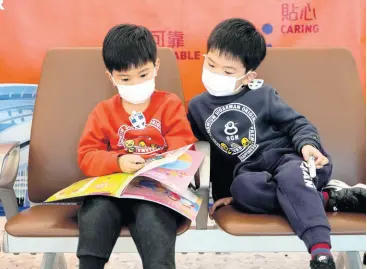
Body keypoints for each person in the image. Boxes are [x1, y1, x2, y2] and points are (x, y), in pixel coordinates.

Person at [187, 18, 366, 269]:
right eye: (211, 63)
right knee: (243, 191)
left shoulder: (263, 95)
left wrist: (307, 146)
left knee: (293, 177)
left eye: (227, 72)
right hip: (251, 172)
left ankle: (320, 251)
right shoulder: (197, 108)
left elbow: (297, 124)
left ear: (249, 76)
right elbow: (215, 155)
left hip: (288, 159)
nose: (216, 74)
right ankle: (327, 198)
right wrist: (224, 194)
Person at [77, 24, 196, 269]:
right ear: (111, 77)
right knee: (97, 211)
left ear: (156, 67)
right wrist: (118, 162)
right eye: (125, 78)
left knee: (153, 217)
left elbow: (184, 150)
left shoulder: (169, 105)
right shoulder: (103, 111)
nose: (135, 83)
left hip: (156, 192)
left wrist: (158, 164)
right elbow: (87, 156)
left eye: (143, 75)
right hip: (114, 191)